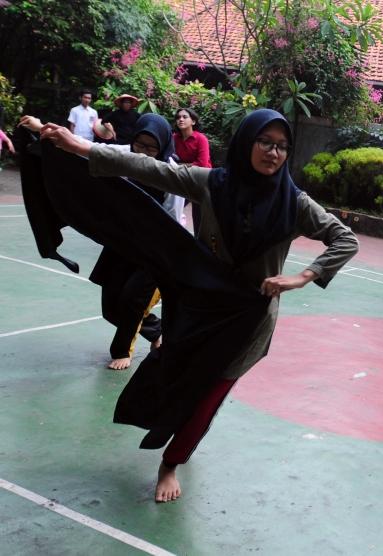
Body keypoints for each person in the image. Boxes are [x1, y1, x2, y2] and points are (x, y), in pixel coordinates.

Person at [39, 109, 358, 503]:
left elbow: (345, 239)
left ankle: (170, 463)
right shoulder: (212, 184)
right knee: (178, 378)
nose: (274, 153)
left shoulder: (295, 203)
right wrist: (79, 146)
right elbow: (147, 168)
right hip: (200, 306)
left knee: (209, 396)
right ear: (246, 142)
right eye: (265, 142)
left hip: (250, 319)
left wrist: (302, 276)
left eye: (282, 147)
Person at [90, 114, 184, 370]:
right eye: (139, 145)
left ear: (163, 146)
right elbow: (90, 150)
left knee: (133, 298)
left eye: (151, 148)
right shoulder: (125, 155)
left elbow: (174, 222)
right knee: (111, 308)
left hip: (155, 249)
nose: (143, 153)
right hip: (122, 243)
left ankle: (122, 351)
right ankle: (157, 332)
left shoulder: (170, 173)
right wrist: (44, 130)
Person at [172, 107, 212, 230]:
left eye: (184, 117)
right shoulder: (174, 138)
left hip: (202, 179)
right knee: (173, 206)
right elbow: (170, 158)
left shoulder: (201, 139)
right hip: (183, 177)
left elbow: (203, 164)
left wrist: (181, 165)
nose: (181, 119)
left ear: (193, 122)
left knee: (198, 215)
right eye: (178, 117)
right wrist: (185, 165)